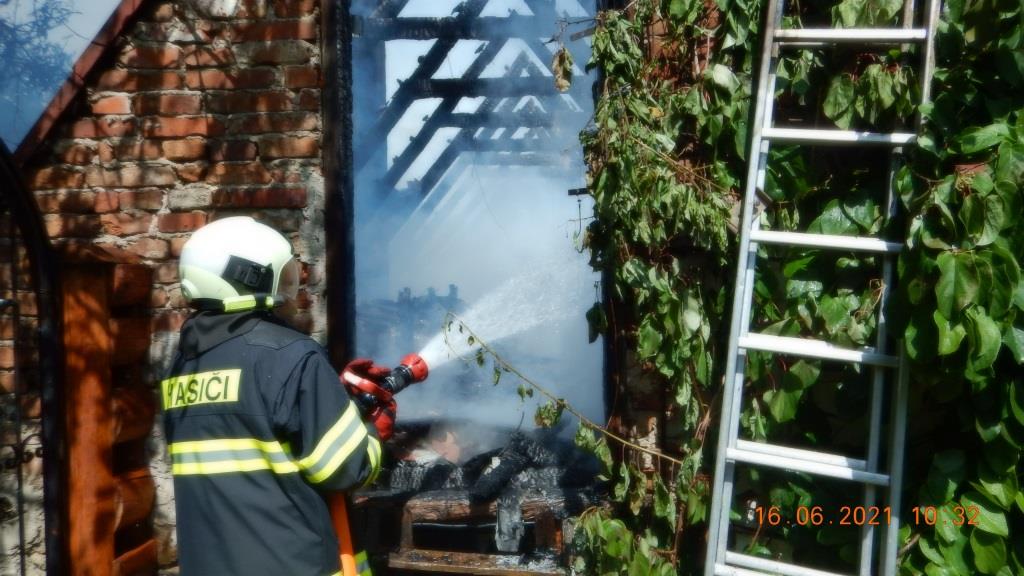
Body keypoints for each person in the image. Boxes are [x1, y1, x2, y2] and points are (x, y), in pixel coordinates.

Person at [161, 216, 387, 575]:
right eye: (280, 276)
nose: (290, 289)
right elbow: (345, 468)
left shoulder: (182, 366)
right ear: (249, 278)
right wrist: (372, 430)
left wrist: (331, 401)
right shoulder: (290, 355)